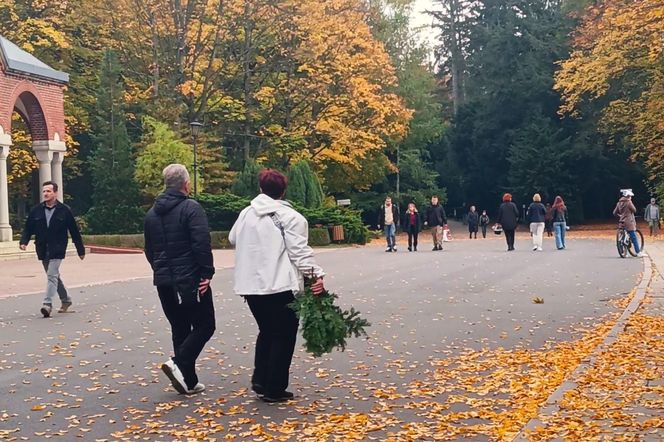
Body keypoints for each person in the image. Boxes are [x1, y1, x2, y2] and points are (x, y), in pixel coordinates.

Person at [229, 169, 326, 403]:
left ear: (261, 189)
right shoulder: (292, 218)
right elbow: (299, 252)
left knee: (266, 331)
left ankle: (260, 379)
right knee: (283, 335)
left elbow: (233, 238)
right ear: (283, 191)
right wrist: (317, 275)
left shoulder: (246, 214)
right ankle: (274, 387)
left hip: (250, 286)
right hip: (280, 285)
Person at [144, 164, 215, 395]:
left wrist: (160, 269)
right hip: (190, 279)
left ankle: (188, 380)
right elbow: (201, 243)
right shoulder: (191, 209)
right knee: (205, 325)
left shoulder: (152, 214)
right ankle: (179, 363)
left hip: (164, 280)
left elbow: (149, 250)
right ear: (186, 184)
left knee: (180, 326)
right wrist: (206, 273)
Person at [19, 181, 85, 318]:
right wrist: (23, 242)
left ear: (55, 193)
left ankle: (47, 304)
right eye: (44, 191)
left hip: (58, 248)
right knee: (54, 276)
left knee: (51, 275)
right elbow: (28, 228)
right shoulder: (36, 210)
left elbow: (74, 231)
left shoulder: (64, 210)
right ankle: (66, 300)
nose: (45, 194)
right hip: (42, 248)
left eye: (48, 191)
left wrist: (80, 250)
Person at [613, 189, 643, 257]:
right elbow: (634, 210)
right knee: (634, 237)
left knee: (622, 237)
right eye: (630, 196)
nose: (631, 197)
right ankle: (638, 252)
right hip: (629, 222)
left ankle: (623, 252)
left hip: (621, 221)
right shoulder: (629, 202)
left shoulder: (619, 203)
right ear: (628, 196)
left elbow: (614, 213)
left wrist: (620, 216)